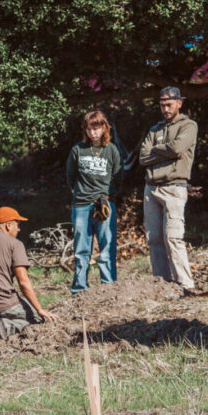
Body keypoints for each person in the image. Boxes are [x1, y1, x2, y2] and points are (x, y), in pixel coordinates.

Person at [139, 86, 198, 294]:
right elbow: (143, 157)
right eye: (162, 105)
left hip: (174, 187)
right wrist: (168, 153)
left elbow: (178, 148)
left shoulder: (188, 125)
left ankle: (186, 285)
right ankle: (162, 284)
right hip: (151, 188)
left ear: (179, 103)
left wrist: (158, 151)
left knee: (173, 237)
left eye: (169, 104)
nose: (165, 109)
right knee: (154, 239)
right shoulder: (154, 129)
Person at [0, 207, 58, 339]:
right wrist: (39, 309)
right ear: (8, 225)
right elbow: (23, 282)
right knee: (37, 318)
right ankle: (6, 326)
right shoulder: (15, 244)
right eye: (17, 225)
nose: (19, 229)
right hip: (3, 304)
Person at [66, 109, 123, 293]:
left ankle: (108, 287)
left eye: (96, 128)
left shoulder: (111, 150)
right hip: (81, 205)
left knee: (107, 247)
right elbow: (70, 177)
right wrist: (80, 193)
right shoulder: (78, 149)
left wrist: (108, 197)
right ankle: (80, 289)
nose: (92, 133)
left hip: (104, 204)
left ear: (104, 128)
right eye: (89, 129)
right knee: (81, 250)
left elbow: (118, 178)